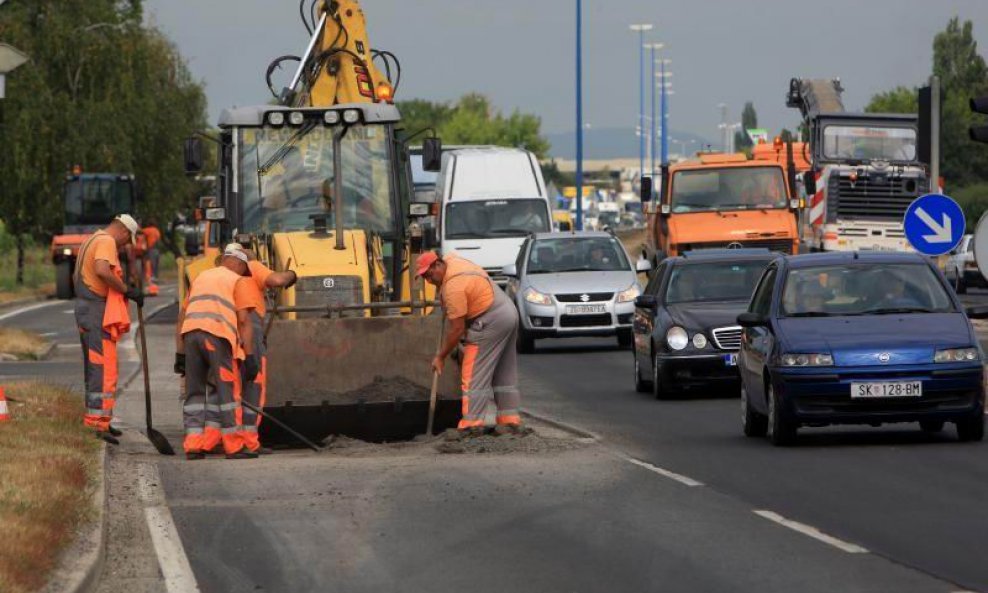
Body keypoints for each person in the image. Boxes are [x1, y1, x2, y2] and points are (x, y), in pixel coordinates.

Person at [417, 251, 524, 437]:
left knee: (474, 373)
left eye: (429, 274)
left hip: (489, 320)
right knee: (504, 371)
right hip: (508, 312)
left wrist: (440, 356)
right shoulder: (453, 261)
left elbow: (457, 329)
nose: (428, 280)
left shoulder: (454, 288)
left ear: (438, 265)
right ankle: (509, 422)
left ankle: (471, 425)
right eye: (424, 277)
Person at [174, 244, 259, 460]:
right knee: (227, 392)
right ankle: (234, 446)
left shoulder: (202, 277)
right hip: (217, 336)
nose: (244, 274)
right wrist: (249, 356)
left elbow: (182, 317)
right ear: (238, 263)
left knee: (194, 392)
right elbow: (244, 321)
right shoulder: (236, 280)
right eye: (244, 269)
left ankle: (194, 444)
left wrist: (180, 353)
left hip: (191, 335)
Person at [73, 214, 142, 444]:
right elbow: (102, 270)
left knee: (95, 367)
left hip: (86, 307)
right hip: (95, 309)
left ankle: (100, 418)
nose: (125, 245)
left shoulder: (92, 239)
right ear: (123, 231)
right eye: (127, 240)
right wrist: (126, 290)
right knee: (102, 368)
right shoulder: (107, 242)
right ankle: (96, 424)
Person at [236, 247, 298, 454]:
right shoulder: (252, 266)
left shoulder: (220, 274)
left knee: (234, 385)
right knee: (254, 384)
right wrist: (292, 274)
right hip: (249, 325)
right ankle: (250, 441)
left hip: (227, 326)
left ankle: (229, 439)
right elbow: (278, 280)